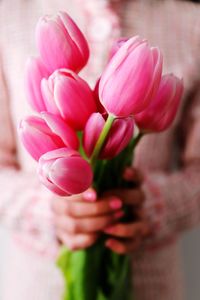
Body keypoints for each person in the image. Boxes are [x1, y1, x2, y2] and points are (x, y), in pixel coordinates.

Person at [0, 0, 200, 300]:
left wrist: (152, 206)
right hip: (35, 286)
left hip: (153, 286)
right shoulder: (8, 17)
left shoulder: (192, 25)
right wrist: (51, 210)